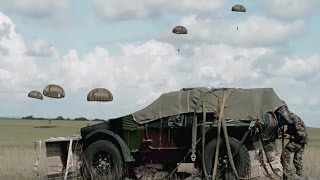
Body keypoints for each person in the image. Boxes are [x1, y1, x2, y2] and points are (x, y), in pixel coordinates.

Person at [282, 112, 308, 179]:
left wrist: (290, 136)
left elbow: (301, 134)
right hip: (300, 140)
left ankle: (287, 175)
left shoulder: (293, 118)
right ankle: (299, 176)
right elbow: (290, 130)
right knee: (297, 159)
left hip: (299, 140)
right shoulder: (289, 119)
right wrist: (284, 134)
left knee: (285, 154)